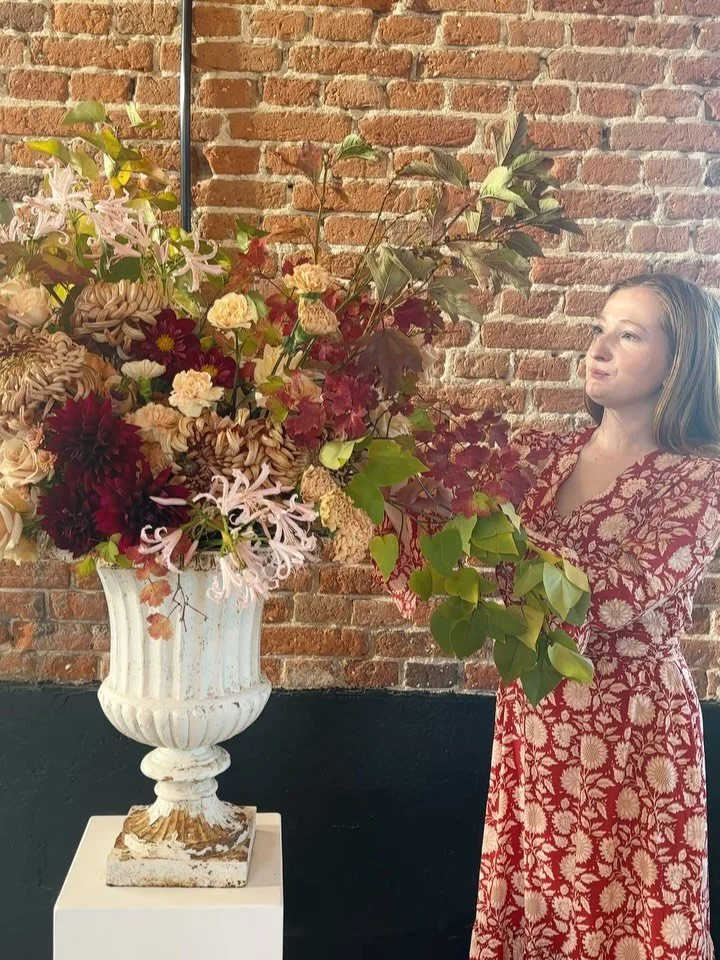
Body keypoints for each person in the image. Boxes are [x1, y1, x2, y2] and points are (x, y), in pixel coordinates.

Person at [469, 273, 720, 960]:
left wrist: (503, 550)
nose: (599, 348)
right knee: (538, 898)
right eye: (599, 328)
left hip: (635, 726)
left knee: (625, 910)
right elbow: (479, 558)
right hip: (536, 714)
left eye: (628, 334)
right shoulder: (542, 458)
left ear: (680, 359)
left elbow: (619, 591)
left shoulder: (701, 477)